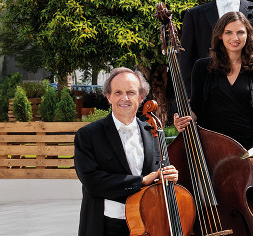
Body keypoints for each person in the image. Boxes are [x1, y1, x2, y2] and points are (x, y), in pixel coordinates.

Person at [75, 67, 181, 236]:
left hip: (148, 223)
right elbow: (92, 180)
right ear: (108, 97)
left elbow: (156, 175)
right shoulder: (88, 135)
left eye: (131, 92)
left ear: (141, 97)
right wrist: (142, 181)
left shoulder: (152, 132)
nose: (124, 98)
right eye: (118, 92)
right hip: (107, 225)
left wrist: (168, 176)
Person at [186, 12, 253, 148]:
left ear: (248, 35)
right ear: (220, 35)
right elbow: (195, 109)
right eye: (228, 33)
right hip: (208, 147)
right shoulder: (202, 67)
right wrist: (184, 119)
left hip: (244, 149)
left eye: (240, 32)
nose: (235, 38)